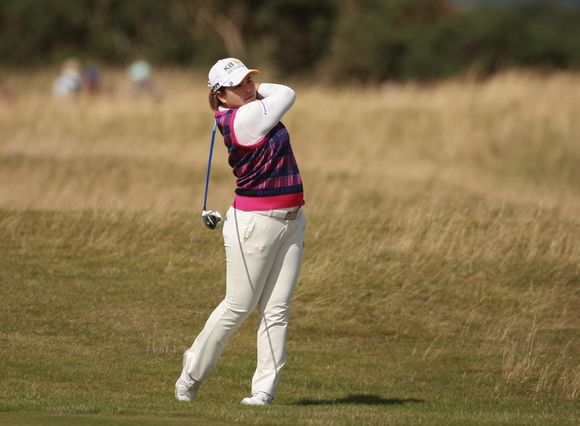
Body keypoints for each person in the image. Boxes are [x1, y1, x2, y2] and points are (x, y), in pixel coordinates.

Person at [175, 58, 306, 406]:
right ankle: (191, 375)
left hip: (292, 219)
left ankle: (263, 391)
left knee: (276, 310)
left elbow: (280, 94)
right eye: (239, 85)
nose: (248, 88)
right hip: (256, 224)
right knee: (238, 306)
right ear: (220, 96)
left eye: (249, 81)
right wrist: (258, 93)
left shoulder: (247, 109)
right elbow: (287, 92)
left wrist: (250, 91)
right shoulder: (245, 117)